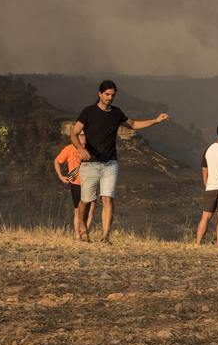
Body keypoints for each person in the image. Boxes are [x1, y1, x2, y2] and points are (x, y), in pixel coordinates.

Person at [70, 79, 170, 245]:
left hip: (110, 163)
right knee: (86, 201)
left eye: (112, 95)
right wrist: (80, 149)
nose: (110, 97)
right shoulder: (88, 112)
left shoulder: (117, 113)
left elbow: (134, 124)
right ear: (99, 94)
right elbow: (74, 133)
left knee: (107, 199)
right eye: (107, 94)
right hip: (90, 164)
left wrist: (155, 120)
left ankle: (105, 236)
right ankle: (83, 230)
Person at [53, 126, 95, 240]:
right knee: (77, 210)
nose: (84, 138)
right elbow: (57, 161)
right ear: (76, 137)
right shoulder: (69, 149)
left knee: (91, 209)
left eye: (86, 136)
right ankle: (77, 236)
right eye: (81, 135)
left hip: (91, 183)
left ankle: (85, 233)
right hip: (76, 183)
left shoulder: (92, 149)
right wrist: (61, 176)